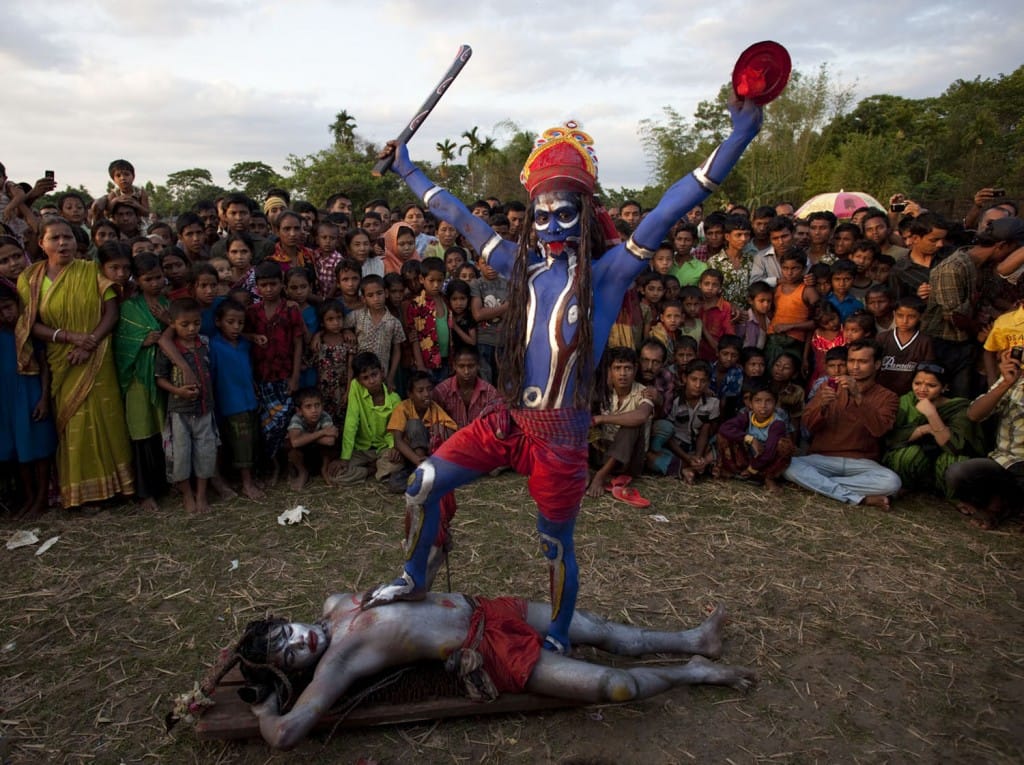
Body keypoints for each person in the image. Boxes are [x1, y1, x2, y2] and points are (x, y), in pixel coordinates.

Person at [366, 93, 765, 654]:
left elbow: (675, 203)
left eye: (565, 214)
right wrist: (406, 167)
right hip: (507, 421)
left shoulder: (608, 274)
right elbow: (455, 213)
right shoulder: (518, 264)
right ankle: (415, 576)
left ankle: (556, 635)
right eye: (543, 215)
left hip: (561, 439)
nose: (552, 226)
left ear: (585, 217)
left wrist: (740, 135)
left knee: (554, 542)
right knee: (422, 484)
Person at [194, 592, 753, 750]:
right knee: (614, 685)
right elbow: (287, 735)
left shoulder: (338, 606)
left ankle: (692, 639)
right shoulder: (335, 662)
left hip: (486, 606)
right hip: (483, 651)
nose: (300, 641)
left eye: (288, 631)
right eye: (289, 654)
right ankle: (692, 672)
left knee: (601, 629)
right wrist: (268, 708)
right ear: (295, 671)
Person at [15, 217, 134, 508]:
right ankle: (82, 493)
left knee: (107, 417)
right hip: (61, 357)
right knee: (73, 423)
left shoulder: (92, 270)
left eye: (67, 237)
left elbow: (111, 312)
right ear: (41, 244)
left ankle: (119, 489)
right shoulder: (29, 279)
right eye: (54, 238)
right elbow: (30, 322)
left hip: (97, 354)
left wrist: (89, 341)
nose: (62, 243)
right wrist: (68, 337)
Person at [784, 339, 901, 510]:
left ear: (876, 364)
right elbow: (808, 426)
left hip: (862, 463)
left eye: (862, 362)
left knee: (892, 482)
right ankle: (860, 499)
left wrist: (858, 396)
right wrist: (822, 407)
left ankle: (816, 484)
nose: (855, 367)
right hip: (823, 458)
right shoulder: (829, 386)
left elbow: (879, 430)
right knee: (789, 466)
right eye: (852, 361)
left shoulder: (888, 397)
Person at [114, 252, 170, 512]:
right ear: (138, 280)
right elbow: (121, 343)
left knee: (162, 429)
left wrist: (168, 322)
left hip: (163, 375)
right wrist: (142, 341)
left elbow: (184, 331)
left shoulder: (167, 303)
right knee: (142, 432)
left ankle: (165, 484)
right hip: (138, 377)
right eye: (149, 279)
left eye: (159, 277)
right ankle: (145, 492)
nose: (156, 283)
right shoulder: (129, 307)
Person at [945, 350, 1024, 528]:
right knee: (957, 474)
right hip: (1006, 461)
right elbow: (973, 414)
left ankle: (1000, 507)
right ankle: (1003, 504)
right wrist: (1005, 384)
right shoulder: (1015, 379)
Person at [882, 364, 984, 498]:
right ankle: (909, 487)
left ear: (945, 387)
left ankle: (952, 497)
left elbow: (954, 447)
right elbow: (891, 438)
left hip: (943, 457)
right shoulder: (906, 401)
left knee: (954, 460)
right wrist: (924, 429)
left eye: (931, 385)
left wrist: (932, 415)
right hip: (919, 460)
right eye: (917, 383)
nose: (922, 389)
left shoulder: (959, 407)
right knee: (906, 455)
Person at [155, 298, 216, 514]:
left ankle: (201, 495)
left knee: (205, 452)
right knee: (181, 454)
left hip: (205, 408)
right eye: (185, 324)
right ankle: (187, 495)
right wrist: (177, 391)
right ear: (172, 323)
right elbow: (160, 378)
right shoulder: (168, 350)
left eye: (196, 323)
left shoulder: (205, 344)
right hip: (180, 411)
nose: (191, 329)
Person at [0, 283, 56, 518]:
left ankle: (42, 497)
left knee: (38, 446)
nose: (6, 314)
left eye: (8, 307)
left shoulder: (29, 329)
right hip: (6, 397)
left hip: (31, 392)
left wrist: (44, 398)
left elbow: (44, 365)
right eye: (0, 310)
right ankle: (30, 496)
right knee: (18, 449)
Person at [209, 300, 264, 500]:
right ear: (218, 322)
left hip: (249, 399)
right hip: (230, 403)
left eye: (240, 323)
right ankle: (246, 484)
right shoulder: (214, 346)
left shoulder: (244, 344)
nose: (236, 327)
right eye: (230, 322)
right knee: (241, 444)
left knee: (252, 441)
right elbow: (212, 377)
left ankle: (249, 479)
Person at [586, 346, 656, 497]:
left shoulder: (643, 392)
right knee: (582, 418)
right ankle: (583, 470)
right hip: (603, 451)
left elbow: (641, 416)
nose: (622, 374)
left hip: (629, 460)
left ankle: (600, 476)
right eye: (617, 368)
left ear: (635, 369)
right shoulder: (604, 392)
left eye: (627, 368)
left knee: (632, 424)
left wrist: (602, 418)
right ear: (610, 371)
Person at [333, 351, 403, 484]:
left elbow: (396, 428)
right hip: (362, 449)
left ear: (382, 372)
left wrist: (394, 447)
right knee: (338, 474)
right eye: (365, 378)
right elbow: (351, 422)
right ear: (359, 381)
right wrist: (345, 457)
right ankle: (371, 470)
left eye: (374, 375)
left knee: (395, 465)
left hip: (383, 447)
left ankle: (376, 468)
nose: (371, 381)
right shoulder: (355, 387)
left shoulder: (394, 399)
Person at [717, 377, 794, 491]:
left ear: (775, 403)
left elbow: (769, 453)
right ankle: (732, 470)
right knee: (724, 435)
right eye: (758, 400)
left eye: (768, 401)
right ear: (751, 404)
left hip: (766, 463)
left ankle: (768, 478)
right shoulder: (747, 417)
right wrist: (750, 439)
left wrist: (751, 469)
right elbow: (724, 428)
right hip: (749, 458)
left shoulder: (777, 423)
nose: (763, 405)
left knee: (785, 445)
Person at [386, 370, 458, 492]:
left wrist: (438, 432)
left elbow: (452, 433)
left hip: (428, 457)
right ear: (410, 394)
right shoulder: (403, 408)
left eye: (429, 389)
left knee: (419, 425)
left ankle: (423, 476)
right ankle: (423, 476)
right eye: (420, 391)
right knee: (394, 484)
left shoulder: (435, 408)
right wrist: (417, 461)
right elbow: (397, 441)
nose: (426, 394)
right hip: (410, 458)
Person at [431, 346, 499, 429]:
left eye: (471, 366)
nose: (466, 371)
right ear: (454, 366)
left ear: (478, 366)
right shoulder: (441, 391)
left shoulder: (490, 393)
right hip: (450, 439)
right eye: (461, 366)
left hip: (479, 438)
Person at [286, 387, 339, 490]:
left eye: (317, 405)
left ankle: (324, 469)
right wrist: (322, 432)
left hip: (318, 451)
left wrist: (304, 437)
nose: (314, 410)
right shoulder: (297, 419)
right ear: (299, 410)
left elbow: (330, 441)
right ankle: (302, 472)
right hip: (304, 452)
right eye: (308, 406)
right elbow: (295, 442)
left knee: (333, 445)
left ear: (322, 406)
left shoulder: (324, 416)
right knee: (289, 446)